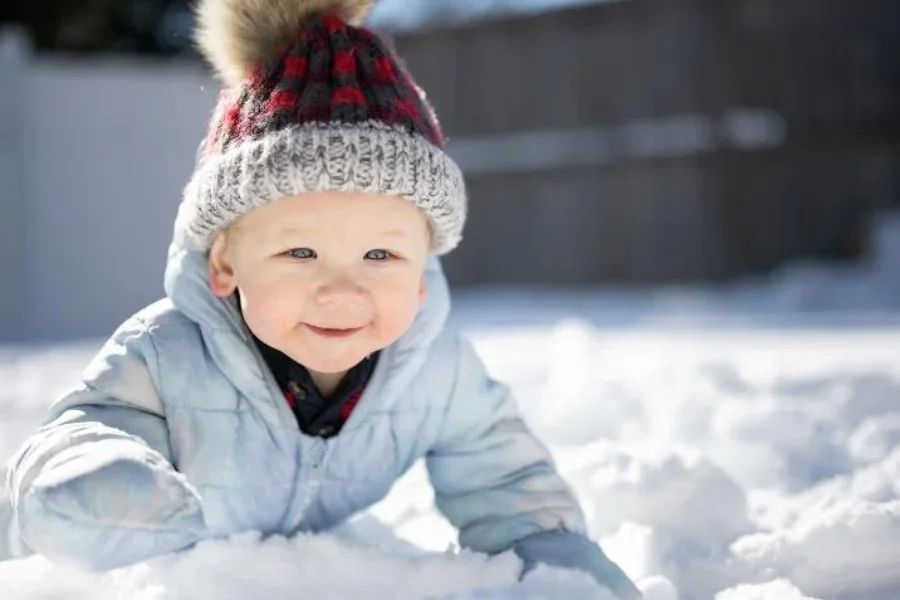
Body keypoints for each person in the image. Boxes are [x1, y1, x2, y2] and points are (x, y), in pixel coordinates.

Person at [4, 1, 640, 597]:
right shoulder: (166, 354)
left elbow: (503, 474)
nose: (343, 288)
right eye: (301, 252)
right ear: (224, 264)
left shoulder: (435, 371)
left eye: (381, 256)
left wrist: (552, 557)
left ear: (422, 273)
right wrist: (97, 489)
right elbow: (84, 432)